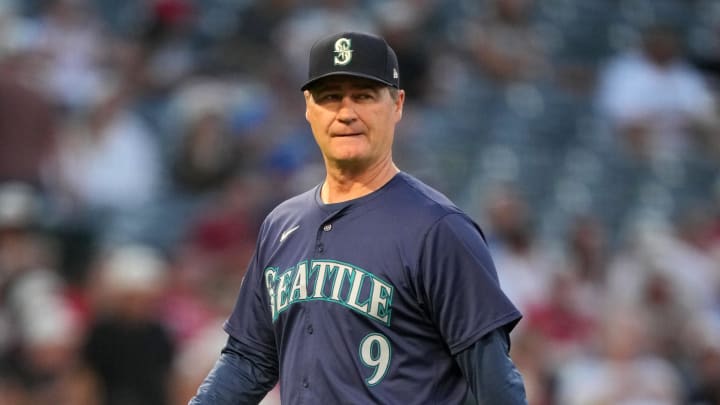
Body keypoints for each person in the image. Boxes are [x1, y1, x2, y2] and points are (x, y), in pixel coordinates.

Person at [189, 31, 527, 404]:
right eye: (331, 97)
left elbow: (495, 383)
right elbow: (249, 360)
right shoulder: (281, 224)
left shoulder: (438, 229)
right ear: (308, 107)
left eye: (363, 96)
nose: (346, 112)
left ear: (397, 104)